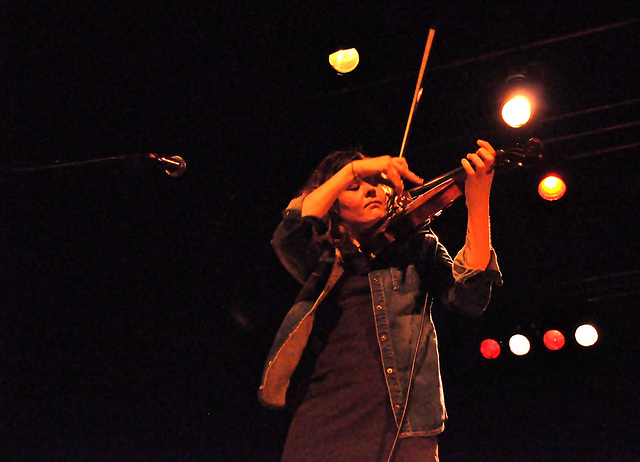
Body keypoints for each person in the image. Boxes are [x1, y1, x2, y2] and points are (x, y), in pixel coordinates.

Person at [259, 140, 502, 461]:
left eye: (378, 184)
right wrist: (354, 168)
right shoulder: (321, 258)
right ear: (335, 208)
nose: (372, 191)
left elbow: (470, 299)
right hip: (323, 418)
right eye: (356, 187)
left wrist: (478, 201)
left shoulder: (419, 248)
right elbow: (290, 231)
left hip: (405, 423)